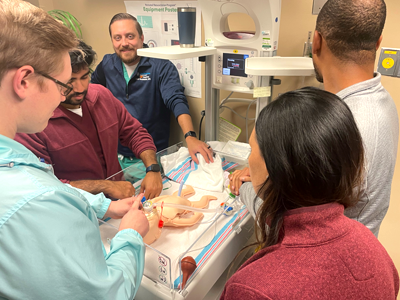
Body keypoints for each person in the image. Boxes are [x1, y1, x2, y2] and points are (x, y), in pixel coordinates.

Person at [0, 1, 149, 299]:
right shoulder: (36, 199)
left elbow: (50, 187)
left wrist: (104, 206)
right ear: (24, 81)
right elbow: (106, 293)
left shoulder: (19, 167)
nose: (71, 91)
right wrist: (130, 235)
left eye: (84, 77)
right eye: (62, 83)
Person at [229, 0, 399, 237]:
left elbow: (293, 228)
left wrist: (248, 188)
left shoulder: (347, 127)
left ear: (316, 41)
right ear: (378, 42)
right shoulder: (383, 102)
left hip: (332, 262)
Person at [221, 87, 399, 299]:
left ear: (276, 169)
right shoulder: (374, 250)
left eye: (252, 151)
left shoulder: (252, 288)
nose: (249, 161)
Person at [16, 40, 163, 200]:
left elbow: (134, 133)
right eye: (70, 81)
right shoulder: (34, 123)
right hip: (78, 208)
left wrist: (152, 168)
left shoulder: (102, 96)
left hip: (119, 200)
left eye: (85, 77)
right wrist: (105, 186)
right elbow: (46, 185)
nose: (79, 88)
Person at [91, 13, 214, 168]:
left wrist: (190, 136)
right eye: (117, 38)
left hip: (150, 158)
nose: (124, 43)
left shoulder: (160, 66)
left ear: (142, 38)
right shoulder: (107, 65)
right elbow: (91, 94)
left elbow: (176, 100)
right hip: (113, 156)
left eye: (130, 36)